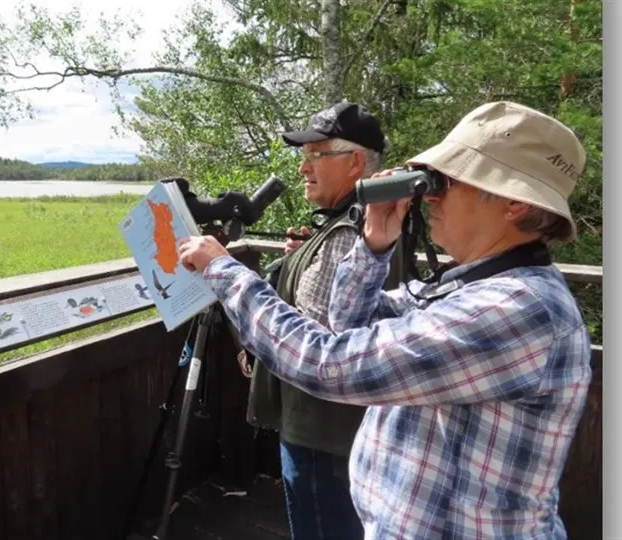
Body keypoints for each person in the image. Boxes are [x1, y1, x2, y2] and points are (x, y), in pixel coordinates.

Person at [179, 101, 592, 539]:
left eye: (445, 182)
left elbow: (329, 363)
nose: (428, 195)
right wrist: (375, 243)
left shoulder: (518, 310)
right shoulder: (467, 286)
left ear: (511, 203)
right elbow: (350, 327)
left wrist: (223, 271)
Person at [242, 100, 385, 540]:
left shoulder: (346, 234)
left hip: (323, 438)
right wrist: (299, 262)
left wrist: (237, 293)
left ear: (355, 162)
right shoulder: (356, 225)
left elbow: (314, 346)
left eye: (316, 156)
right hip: (334, 434)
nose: (304, 168)